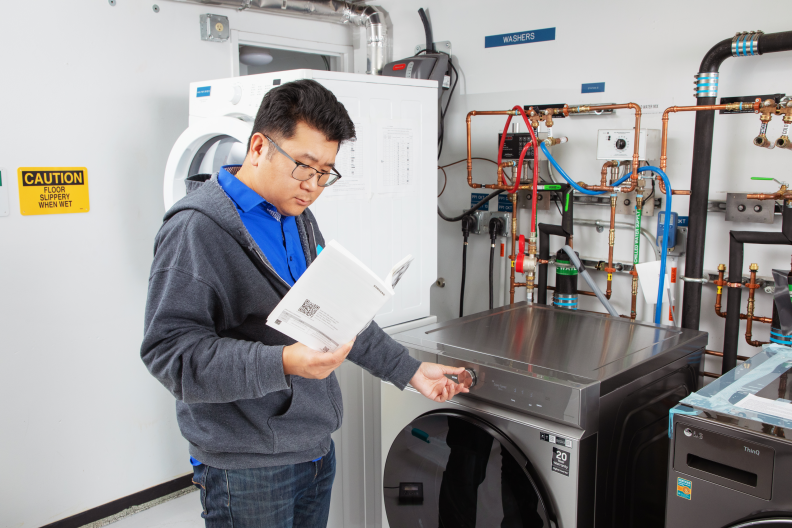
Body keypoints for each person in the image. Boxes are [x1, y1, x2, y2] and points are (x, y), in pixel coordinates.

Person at [141, 79, 468, 528]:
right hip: (247, 465)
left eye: (326, 172)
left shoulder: (297, 216)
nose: (314, 185)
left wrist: (408, 370)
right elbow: (170, 355)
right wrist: (284, 362)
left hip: (313, 447)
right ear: (259, 147)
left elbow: (333, 312)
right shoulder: (195, 231)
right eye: (304, 166)